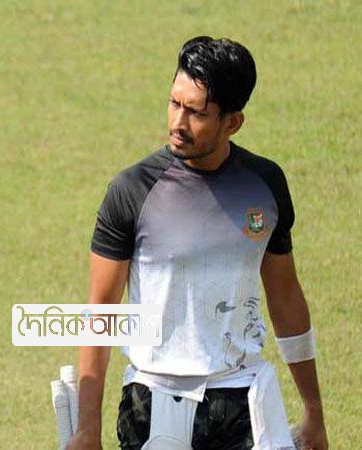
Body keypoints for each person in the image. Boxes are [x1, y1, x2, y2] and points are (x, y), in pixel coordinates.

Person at [68, 37, 328, 449]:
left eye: (196, 113)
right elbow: (101, 313)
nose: (178, 122)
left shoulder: (265, 186)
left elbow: (285, 297)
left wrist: (313, 409)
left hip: (244, 396)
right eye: (174, 103)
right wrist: (87, 429)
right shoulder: (133, 190)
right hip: (153, 401)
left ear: (233, 122)